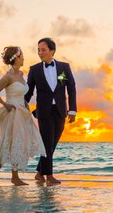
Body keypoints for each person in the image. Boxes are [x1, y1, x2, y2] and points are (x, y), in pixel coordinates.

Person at [0, 46, 46, 185]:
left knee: (18, 144)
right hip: (12, 113)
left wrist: (25, 102)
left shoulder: (21, 74)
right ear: (16, 58)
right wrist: (5, 104)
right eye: (22, 56)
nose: (24, 58)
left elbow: (20, 93)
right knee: (12, 143)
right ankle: (12, 177)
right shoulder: (8, 76)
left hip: (23, 112)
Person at [25, 37, 77, 185]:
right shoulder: (34, 69)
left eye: (43, 50)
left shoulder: (64, 67)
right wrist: (21, 104)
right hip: (44, 111)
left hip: (61, 110)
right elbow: (29, 91)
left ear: (52, 51)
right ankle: (49, 176)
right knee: (47, 143)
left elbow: (71, 88)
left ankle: (40, 173)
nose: (40, 53)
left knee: (53, 143)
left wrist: (73, 110)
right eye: (38, 50)